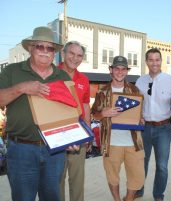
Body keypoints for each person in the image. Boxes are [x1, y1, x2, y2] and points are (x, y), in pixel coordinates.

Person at [0, 26, 80, 201]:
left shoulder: (63, 77)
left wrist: (72, 139)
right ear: (30, 48)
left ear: (54, 53)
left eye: (50, 48)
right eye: (39, 46)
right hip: (22, 149)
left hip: (55, 151)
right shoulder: (12, 71)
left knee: (52, 197)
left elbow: (70, 113)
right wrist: (21, 88)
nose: (45, 51)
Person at [91, 56, 145, 201]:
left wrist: (140, 119)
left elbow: (140, 114)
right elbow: (94, 116)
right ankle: (116, 199)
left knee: (138, 177)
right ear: (111, 70)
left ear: (126, 71)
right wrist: (103, 113)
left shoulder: (134, 90)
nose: (120, 72)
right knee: (112, 176)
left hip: (133, 142)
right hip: (111, 142)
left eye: (123, 69)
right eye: (117, 68)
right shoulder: (102, 92)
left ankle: (128, 198)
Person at [135, 48, 171, 201]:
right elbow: (137, 105)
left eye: (157, 59)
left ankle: (158, 195)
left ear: (161, 61)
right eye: (151, 60)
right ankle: (139, 190)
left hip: (164, 129)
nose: (154, 63)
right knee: (142, 162)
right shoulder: (140, 81)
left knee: (162, 166)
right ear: (146, 61)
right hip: (145, 128)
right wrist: (138, 116)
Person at [59, 41, 91, 201]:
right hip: (56, 134)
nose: (75, 58)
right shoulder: (51, 74)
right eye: (71, 53)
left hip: (78, 135)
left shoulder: (84, 79)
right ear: (63, 54)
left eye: (79, 55)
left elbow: (85, 106)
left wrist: (89, 133)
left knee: (77, 180)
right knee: (57, 181)